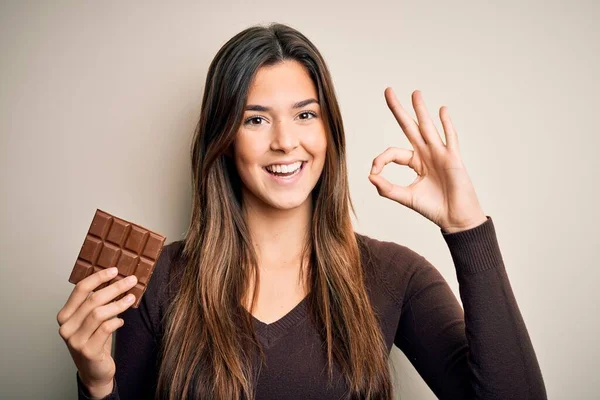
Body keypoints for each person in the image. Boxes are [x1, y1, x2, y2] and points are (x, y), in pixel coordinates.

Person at [57, 23, 547, 400]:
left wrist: (468, 228)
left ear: (328, 132)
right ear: (224, 141)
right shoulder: (161, 279)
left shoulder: (396, 277)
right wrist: (98, 385)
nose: (285, 141)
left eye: (305, 114)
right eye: (255, 119)